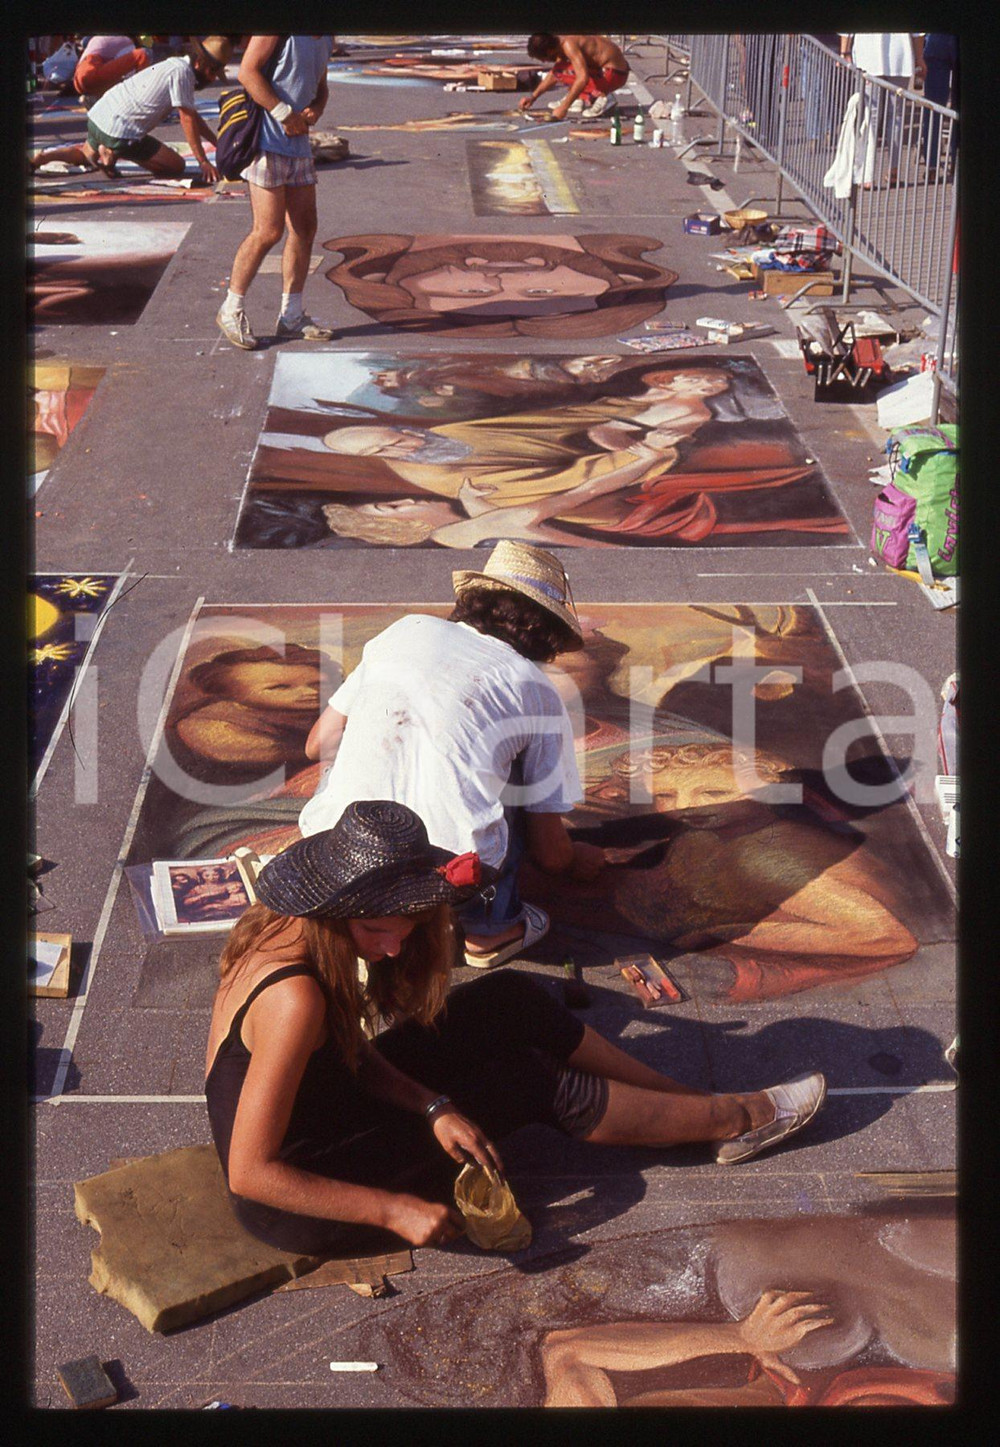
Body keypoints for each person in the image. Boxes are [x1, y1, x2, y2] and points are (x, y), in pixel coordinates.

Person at [204, 799, 828, 1255]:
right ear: (335, 910)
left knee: (507, 997)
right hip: (304, 1196)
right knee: (529, 1081)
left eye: (409, 928)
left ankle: (687, 1103)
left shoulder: (285, 924)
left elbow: (346, 1058)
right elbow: (250, 1174)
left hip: (326, 1118)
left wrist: (432, 1105)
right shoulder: (294, 998)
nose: (395, 949)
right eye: (377, 931)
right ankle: (732, 1120)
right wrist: (391, 1210)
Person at [298, 542, 604, 967]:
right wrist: (576, 861)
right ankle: (489, 929)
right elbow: (551, 855)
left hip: (340, 845)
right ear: (549, 635)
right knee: (513, 776)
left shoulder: (404, 631)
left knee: (352, 742)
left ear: (476, 600)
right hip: (449, 874)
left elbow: (318, 743)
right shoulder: (534, 688)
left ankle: (375, 907)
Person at [216, 35, 335, 351]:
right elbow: (247, 72)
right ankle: (231, 308)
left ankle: (291, 315)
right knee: (268, 231)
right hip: (266, 142)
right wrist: (285, 114)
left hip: (298, 144)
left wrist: (316, 109)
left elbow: (321, 86)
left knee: (304, 228)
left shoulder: (326, 35)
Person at [29, 36, 228, 180]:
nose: (211, 79)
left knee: (86, 155)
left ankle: (44, 157)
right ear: (200, 63)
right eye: (212, 72)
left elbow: (191, 114)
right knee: (176, 166)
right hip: (120, 131)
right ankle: (111, 152)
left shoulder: (175, 65)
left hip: (99, 116)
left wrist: (216, 142)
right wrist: (203, 161)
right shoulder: (182, 74)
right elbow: (187, 119)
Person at [519, 34, 629, 120]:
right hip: (610, 71)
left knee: (569, 71)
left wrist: (564, 107)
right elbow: (554, 74)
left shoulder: (568, 45)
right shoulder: (561, 42)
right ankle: (580, 97)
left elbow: (582, 78)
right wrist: (533, 97)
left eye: (543, 58)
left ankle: (604, 97)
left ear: (549, 51)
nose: (544, 61)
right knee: (561, 69)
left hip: (614, 74)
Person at [72, 35, 149, 101]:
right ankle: (144, 95)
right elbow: (130, 71)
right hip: (91, 76)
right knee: (142, 54)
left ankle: (95, 97)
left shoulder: (101, 38)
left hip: (79, 80)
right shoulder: (126, 41)